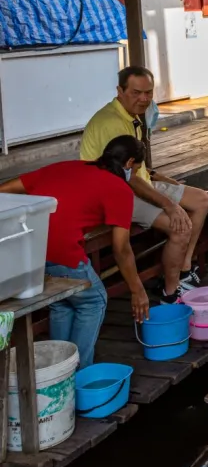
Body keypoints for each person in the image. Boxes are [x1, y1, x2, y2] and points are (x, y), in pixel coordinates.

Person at [0, 136, 149, 367]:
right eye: (137, 169)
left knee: (62, 302)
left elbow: (5, 190)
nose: (135, 174)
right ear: (129, 163)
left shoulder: (65, 166)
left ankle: (56, 369)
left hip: (30, 254)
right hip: (62, 254)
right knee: (93, 301)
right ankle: (78, 371)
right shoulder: (119, 188)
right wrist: (137, 290)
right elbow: (121, 248)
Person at [80, 67, 208, 302]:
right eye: (136, 92)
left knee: (201, 199)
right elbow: (129, 178)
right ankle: (170, 293)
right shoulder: (111, 122)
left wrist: (161, 179)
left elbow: (136, 170)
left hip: (137, 182)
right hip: (116, 193)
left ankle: (184, 268)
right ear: (120, 91)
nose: (144, 99)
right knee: (180, 227)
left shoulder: (128, 114)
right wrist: (169, 205)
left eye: (148, 93)